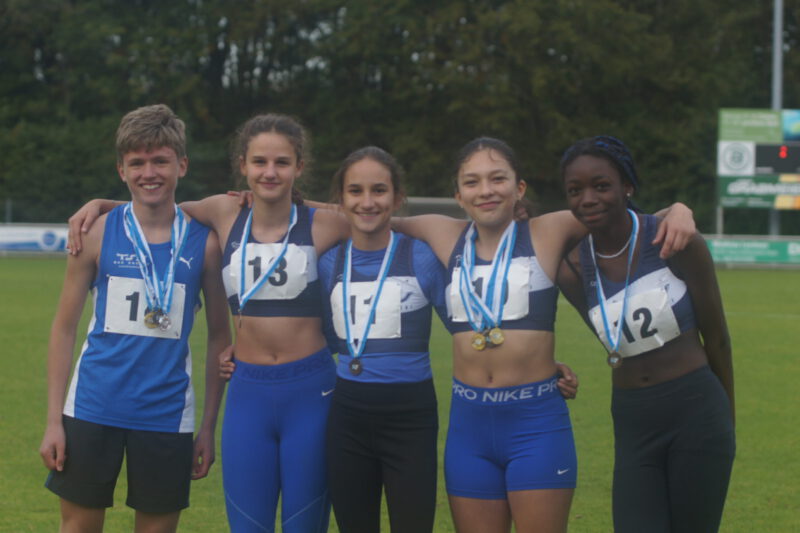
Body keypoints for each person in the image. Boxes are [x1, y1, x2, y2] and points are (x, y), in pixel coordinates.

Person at [390, 137, 696, 533]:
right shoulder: (442, 232)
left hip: (535, 424)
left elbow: (622, 212)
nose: (485, 190)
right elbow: (365, 213)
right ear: (458, 195)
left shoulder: (548, 230)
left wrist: (680, 209)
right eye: (472, 182)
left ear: (519, 188)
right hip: (469, 428)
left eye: (497, 178)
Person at [66, 113, 350, 532]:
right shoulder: (222, 211)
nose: (269, 172)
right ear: (242, 165)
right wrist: (103, 205)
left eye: (282, 163)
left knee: (305, 522)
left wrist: (300, 201)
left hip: (303, 386)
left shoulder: (317, 224)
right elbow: (157, 205)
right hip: (232, 390)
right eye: (259, 162)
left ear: (299, 167)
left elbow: (371, 216)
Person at [38, 104, 231, 533]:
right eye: (137, 163)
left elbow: (220, 336)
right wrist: (54, 420)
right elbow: (64, 327)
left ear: (181, 164)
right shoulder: (96, 232)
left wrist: (207, 427)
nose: (150, 172)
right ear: (121, 170)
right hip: (91, 407)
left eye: (160, 160)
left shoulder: (206, 244)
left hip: (166, 414)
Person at [556, 135, 735, 533]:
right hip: (633, 417)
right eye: (575, 190)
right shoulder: (571, 267)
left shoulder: (673, 240)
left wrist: (728, 419)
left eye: (601, 186)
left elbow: (718, 338)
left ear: (627, 187)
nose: (588, 198)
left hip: (697, 410)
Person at [316, 146, 448, 532]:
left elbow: (466, 326)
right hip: (348, 416)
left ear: (397, 197)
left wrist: (537, 363)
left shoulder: (421, 257)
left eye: (379, 190)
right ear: (341, 200)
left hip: (411, 416)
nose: (368, 202)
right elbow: (318, 336)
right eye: (355, 191)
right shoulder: (329, 263)